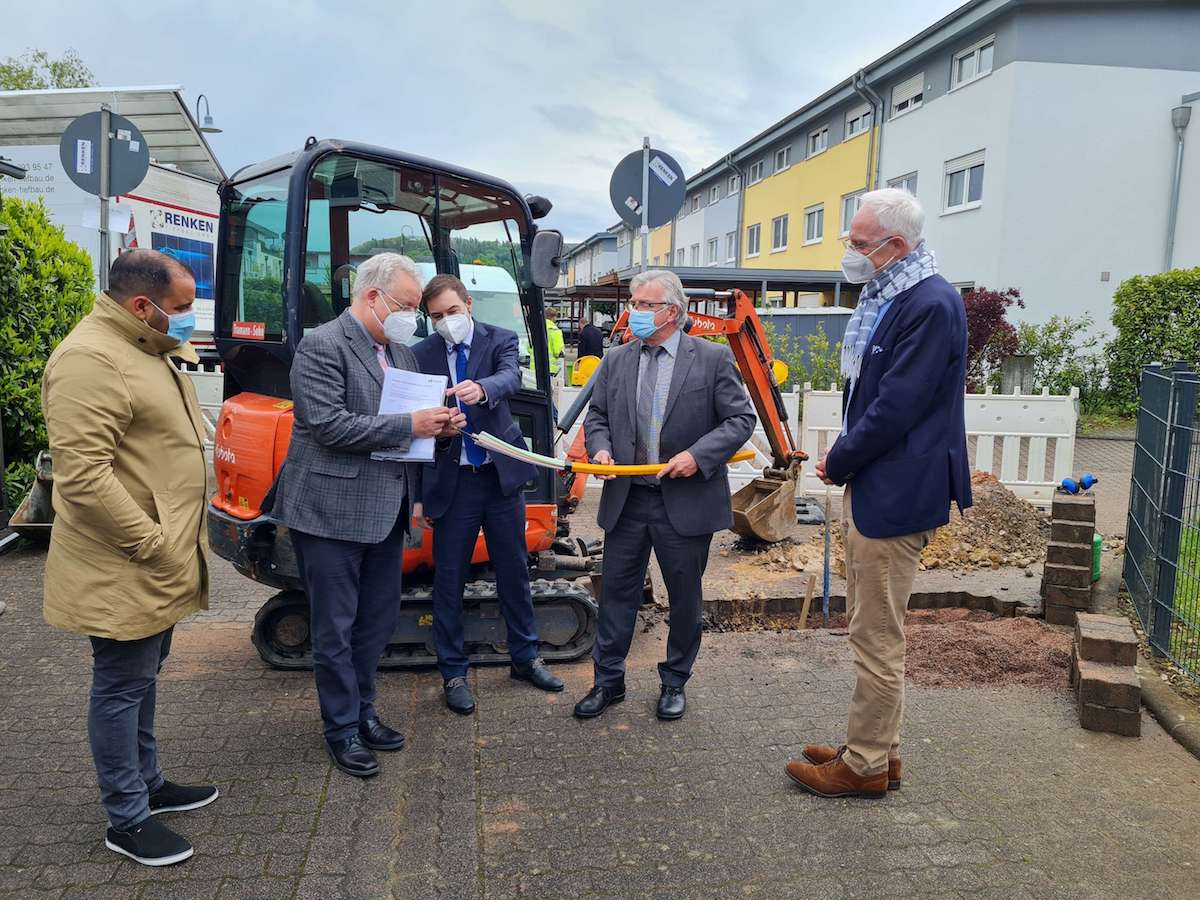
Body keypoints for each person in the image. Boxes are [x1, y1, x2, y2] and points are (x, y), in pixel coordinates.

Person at [785, 188, 972, 799]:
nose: (851, 252)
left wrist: (840, 459)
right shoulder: (894, 296)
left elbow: (896, 405)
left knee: (876, 635)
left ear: (895, 245)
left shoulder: (930, 303)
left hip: (896, 491)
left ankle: (863, 766)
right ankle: (879, 752)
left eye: (860, 243)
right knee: (874, 627)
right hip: (884, 486)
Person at [42, 249, 216, 867]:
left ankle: (149, 783)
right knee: (120, 684)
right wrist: (151, 542)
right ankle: (127, 818)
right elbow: (83, 477)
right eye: (181, 310)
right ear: (142, 306)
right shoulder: (91, 359)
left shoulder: (138, 345)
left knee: (142, 676)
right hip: (126, 560)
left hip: (156, 558)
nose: (188, 321)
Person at [268, 253, 453, 778]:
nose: (413, 319)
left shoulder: (402, 353)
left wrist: (437, 427)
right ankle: (341, 729)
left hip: (388, 510)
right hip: (330, 512)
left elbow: (408, 427)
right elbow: (330, 426)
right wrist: (411, 423)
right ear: (372, 297)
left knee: (374, 625)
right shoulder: (322, 345)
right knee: (335, 628)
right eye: (407, 306)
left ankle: (364, 710)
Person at [574, 270, 755, 721]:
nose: (631, 312)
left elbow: (739, 421)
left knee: (685, 598)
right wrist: (600, 448)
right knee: (616, 593)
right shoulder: (616, 361)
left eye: (641, 304)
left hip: (686, 500)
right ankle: (607, 682)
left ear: (670, 312)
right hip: (628, 498)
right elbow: (596, 416)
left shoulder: (711, 360)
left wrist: (698, 455)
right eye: (632, 303)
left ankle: (675, 681)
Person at [412, 274, 563, 714]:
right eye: (436, 317)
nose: (445, 322)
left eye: (452, 313)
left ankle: (525, 657)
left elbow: (509, 378)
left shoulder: (500, 339)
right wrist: (441, 425)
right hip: (453, 484)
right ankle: (453, 672)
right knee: (449, 578)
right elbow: (415, 415)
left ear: (469, 305)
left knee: (514, 569)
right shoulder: (421, 354)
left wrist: (482, 390)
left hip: (499, 479)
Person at [544, 306, 565, 406]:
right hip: (550, 368)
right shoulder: (555, 330)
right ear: (554, 317)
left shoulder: (537, 328)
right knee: (549, 393)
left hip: (534, 368)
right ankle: (555, 417)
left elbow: (528, 348)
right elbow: (558, 351)